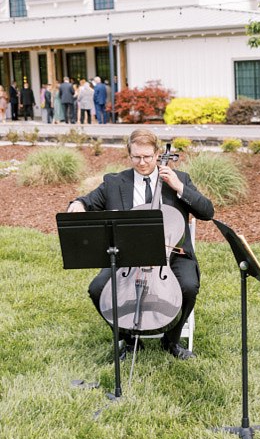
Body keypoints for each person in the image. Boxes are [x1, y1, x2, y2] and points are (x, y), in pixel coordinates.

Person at [67, 128, 214, 360]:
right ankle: (129, 338)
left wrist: (179, 188)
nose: (142, 162)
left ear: (157, 154)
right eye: (136, 157)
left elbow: (207, 212)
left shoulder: (179, 179)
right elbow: (88, 200)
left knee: (188, 286)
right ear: (129, 154)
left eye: (147, 156)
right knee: (97, 289)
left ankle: (172, 340)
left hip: (172, 255)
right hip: (128, 257)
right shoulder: (115, 182)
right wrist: (77, 204)